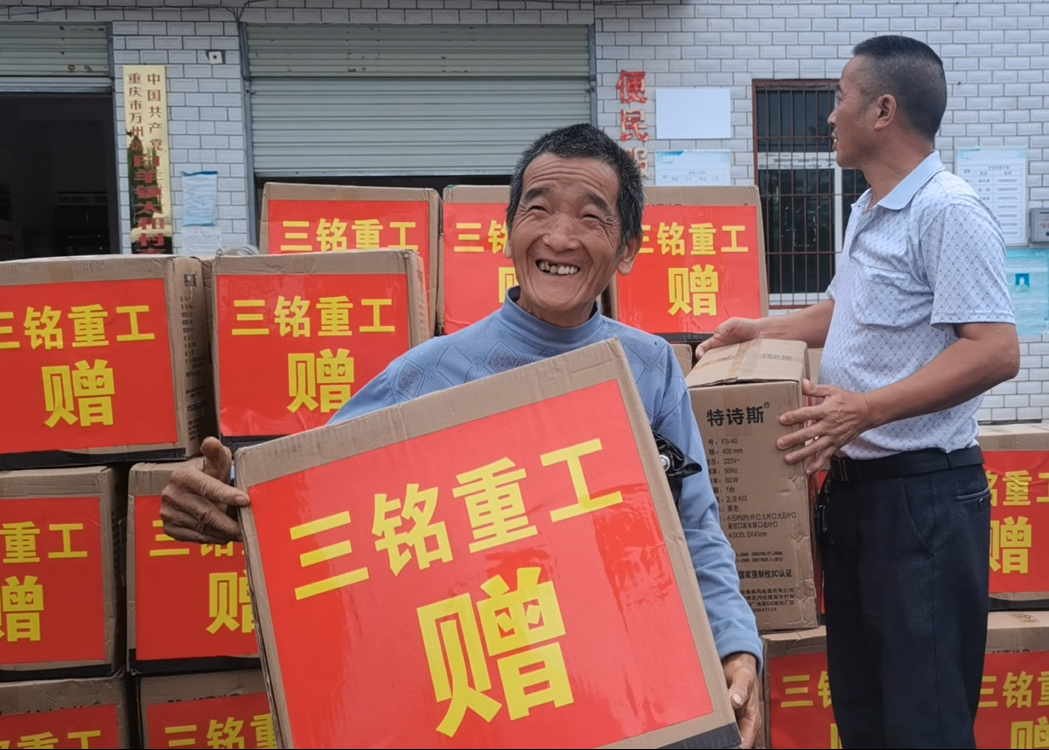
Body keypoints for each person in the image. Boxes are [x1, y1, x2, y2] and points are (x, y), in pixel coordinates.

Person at [161, 124, 764, 747]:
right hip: (486, 689)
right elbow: (308, 492)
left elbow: (694, 525)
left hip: (622, 692)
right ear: (509, 231)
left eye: (590, 217)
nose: (560, 237)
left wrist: (736, 645)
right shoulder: (426, 374)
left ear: (627, 249)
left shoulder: (650, 366)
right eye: (538, 210)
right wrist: (216, 492)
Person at [699, 36, 1019, 749]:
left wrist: (866, 410)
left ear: (883, 110)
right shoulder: (870, 210)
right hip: (856, 499)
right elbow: (845, 311)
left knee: (924, 723)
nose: (829, 116)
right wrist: (761, 326)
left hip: (922, 504)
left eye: (840, 98)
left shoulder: (947, 210)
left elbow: (995, 350)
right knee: (865, 713)